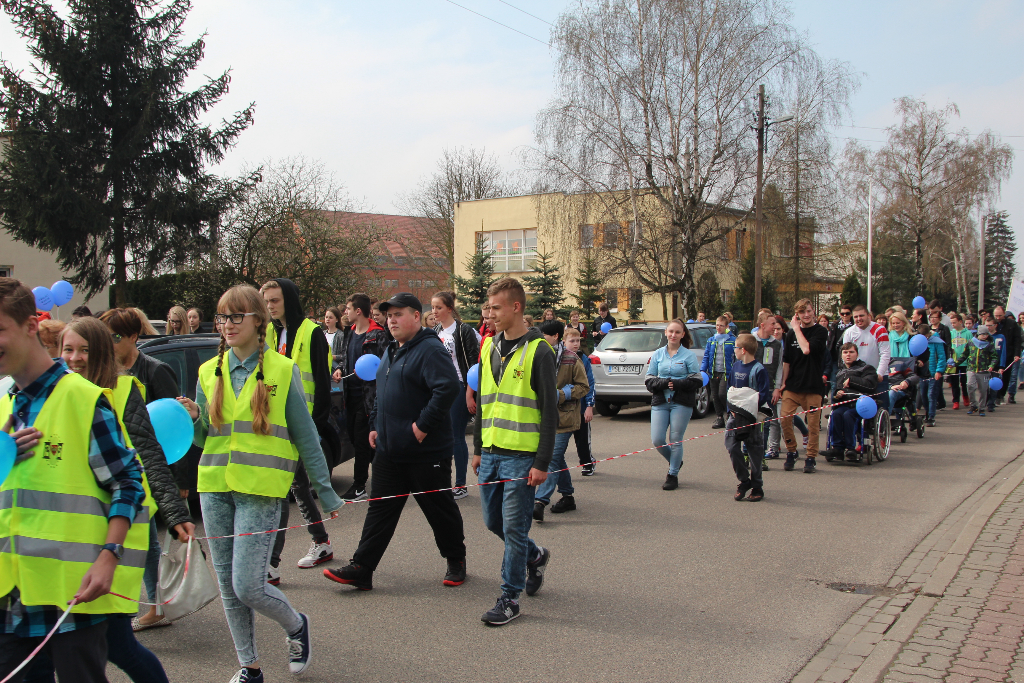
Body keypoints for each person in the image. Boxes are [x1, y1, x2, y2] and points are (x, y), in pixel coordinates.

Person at [177, 284, 343, 682]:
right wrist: (196, 415)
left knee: (248, 586)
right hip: (214, 488)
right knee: (230, 589)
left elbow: (306, 436)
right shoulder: (207, 371)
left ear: (258, 321)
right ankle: (249, 668)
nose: (227, 325)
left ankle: (295, 624)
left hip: (262, 491)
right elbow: (204, 438)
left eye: (237, 316)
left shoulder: (282, 371)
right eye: (222, 317)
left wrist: (325, 489)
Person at [0, 278, 148, 683]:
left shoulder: (83, 399)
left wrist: (108, 556)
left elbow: (129, 482)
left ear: (31, 325)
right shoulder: (5, 406)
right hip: (13, 595)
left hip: (72, 597)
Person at [57, 317, 194, 681]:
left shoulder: (122, 390)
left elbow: (148, 452)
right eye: (68, 349)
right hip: (71, 535)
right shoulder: (55, 393)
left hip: (116, 532)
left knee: (113, 644)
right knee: (96, 644)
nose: (75, 358)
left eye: (84, 350)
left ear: (101, 352)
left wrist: (174, 508)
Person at [323, 292, 466, 592]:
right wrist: (375, 425)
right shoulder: (391, 349)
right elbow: (382, 391)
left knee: (439, 509)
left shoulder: (430, 349)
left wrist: (421, 427)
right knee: (380, 510)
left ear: (416, 316)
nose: (391, 320)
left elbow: (448, 388)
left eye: (398, 314)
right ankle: (362, 568)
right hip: (389, 450)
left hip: (425, 452)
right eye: (388, 315)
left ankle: (456, 559)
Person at [472, 277, 557, 626]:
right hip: (491, 452)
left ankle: (509, 597)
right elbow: (483, 403)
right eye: (487, 308)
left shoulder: (539, 351)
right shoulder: (488, 346)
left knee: (514, 528)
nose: (489, 314)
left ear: (516, 307)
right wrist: (478, 448)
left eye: (495, 308)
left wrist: (542, 462)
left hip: (522, 457)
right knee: (495, 522)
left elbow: (550, 412)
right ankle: (534, 556)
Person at [100, 307, 189, 631]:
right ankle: (152, 603)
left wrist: (178, 481)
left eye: (116, 337)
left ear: (134, 336)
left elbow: (173, 427)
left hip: (149, 470)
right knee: (144, 541)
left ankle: (154, 605)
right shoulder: (104, 375)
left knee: (148, 542)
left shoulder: (155, 370)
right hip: (123, 470)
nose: (110, 343)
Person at [260, 279, 338, 579]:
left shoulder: (312, 332)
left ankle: (270, 563)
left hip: (302, 424)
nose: (270, 307)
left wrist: (313, 428)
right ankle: (320, 541)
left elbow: (321, 382)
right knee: (297, 487)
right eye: (267, 302)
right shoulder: (268, 331)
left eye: (275, 301)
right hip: (275, 424)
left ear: (289, 300)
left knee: (285, 489)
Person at [333, 293, 388, 503]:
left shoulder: (378, 334)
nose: (344, 313)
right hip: (351, 395)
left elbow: (384, 365)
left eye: (347, 309)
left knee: (364, 441)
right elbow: (348, 360)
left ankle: (359, 486)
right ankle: (381, 478)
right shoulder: (350, 332)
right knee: (358, 440)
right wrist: (339, 369)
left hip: (369, 397)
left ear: (358, 311)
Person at [533, 321, 589, 519]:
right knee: (558, 459)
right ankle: (568, 496)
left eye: (545, 335)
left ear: (555, 336)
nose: (541, 338)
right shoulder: (538, 356)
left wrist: (562, 394)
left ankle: (540, 501)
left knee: (552, 457)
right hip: (541, 417)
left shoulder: (572, 359)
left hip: (564, 418)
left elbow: (584, 387)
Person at [431, 291, 480, 500]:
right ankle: (443, 481)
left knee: (456, 435)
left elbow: (473, 365)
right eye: (432, 308)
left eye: (438, 308)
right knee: (441, 436)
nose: (434, 312)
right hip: (439, 389)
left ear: (449, 309)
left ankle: (461, 484)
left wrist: (470, 394)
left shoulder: (463, 331)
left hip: (459, 387)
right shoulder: (433, 332)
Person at [645, 319, 702, 490]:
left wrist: (678, 384)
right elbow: (649, 380)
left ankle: (672, 474)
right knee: (657, 440)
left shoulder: (688, 355)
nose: (673, 335)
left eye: (677, 332)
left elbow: (697, 380)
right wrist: (664, 383)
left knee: (675, 439)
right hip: (661, 402)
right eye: (671, 331)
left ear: (683, 334)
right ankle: (675, 461)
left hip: (681, 403)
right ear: (666, 333)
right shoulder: (658, 354)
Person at [780, 299, 828, 473]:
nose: (806, 315)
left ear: (813, 311)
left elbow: (807, 349)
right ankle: (792, 451)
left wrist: (797, 328)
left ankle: (811, 457)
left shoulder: (820, 332)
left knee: (813, 425)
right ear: (797, 314)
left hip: (813, 386)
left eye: (808, 311)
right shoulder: (791, 334)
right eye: (802, 313)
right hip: (793, 386)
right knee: (784, 419)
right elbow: (787, 360)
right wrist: (783, 383)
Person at [726, 334, 772, 502]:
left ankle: (757, 485)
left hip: (752, 417)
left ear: (743, 350)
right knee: (731, 445)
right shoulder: (736, 366)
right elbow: (731, 389)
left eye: (736, 348)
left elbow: (763, 394)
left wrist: (751, 411)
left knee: (754, 450)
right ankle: (744, 481)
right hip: (734, 415)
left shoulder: (758, 369)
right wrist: (729, 409)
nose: (734, 351)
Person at [821, 343, 878, 463]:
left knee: (848, 415)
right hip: (845, 404)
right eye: (845, 352)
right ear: (841, 355)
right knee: (836, 414)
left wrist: (852, 381)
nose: (848, 355)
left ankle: (851, 448)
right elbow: (836, 392)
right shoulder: (840, 372)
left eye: (851, 352)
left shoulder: (867, 368)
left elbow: (870, 385)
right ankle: (837, 448)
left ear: (857, 354)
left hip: (862, 405)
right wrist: (837, 393)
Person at [842, 304, 890, 411]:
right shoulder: (849, 332)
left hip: (878, 376)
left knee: (881, 408)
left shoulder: (879, 329)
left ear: (868, 316)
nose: (859, 319)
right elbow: (845, 356)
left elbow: (885, 353)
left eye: (861, 316)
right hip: (858, 377)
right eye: (855, 317)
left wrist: (880, 373)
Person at [565, 327, 596, 475]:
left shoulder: (584, 360)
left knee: (582, 439)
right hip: (564, 407)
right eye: (572, 341)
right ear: (564, 342)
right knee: (560, 442)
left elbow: (590, 383)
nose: (576, 344)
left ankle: (587, 462)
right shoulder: (559, 358)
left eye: (578, 340)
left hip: (581, 407)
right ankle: (557, 466)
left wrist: (589, 406)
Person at [754, 312, 784, 464]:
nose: (775, 327)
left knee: (766, 423)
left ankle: (761, 456)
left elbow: (779, 367)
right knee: (751, 423)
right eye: (772, 324)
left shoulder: (777, 344)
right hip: (752, 389)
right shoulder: (752, 341)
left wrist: (777, 388)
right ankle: (748, 453)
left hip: (770, 389)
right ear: (763, 325)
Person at [700, 316, 736, 429]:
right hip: (713, 372)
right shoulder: (711, 340)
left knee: (722, 394)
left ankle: (730, 414)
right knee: (715, 395)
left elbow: (736, 357)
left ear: (727, 327)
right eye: (717, 325)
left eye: (721, 325)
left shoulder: (732, 340)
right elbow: (706, 356)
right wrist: (703, 370)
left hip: (726, 372)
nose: (718, 328)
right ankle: (719, 417)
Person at [992, 306, 1021, 405]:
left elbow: (1017, 340)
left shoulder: (1012, 324)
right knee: (994, 375)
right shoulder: (992, 323)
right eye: (996, 316)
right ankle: (993, 395)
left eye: (1000, 315)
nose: (998, 318)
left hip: (1008, 354)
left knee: (1006, 376)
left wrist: (1017, 354)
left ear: (1004, 314)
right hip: (994, 354)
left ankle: (1001, 395)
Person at [826, 305, 855, 401]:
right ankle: (833, 410)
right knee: (835, 384)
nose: (845, 315)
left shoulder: (854, 326)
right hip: (835, 359)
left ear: (851, 314)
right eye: (842, 313)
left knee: (848, 385)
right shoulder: (835, 325)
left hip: (849, 359)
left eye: (847, 313)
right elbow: (830, 342)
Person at [966, 325, 996, 416]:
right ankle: (973, 405)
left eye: (987, 334)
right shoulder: (971, 342)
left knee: (983, 390)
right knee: (970, 386)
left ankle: (982, 407)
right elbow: (965, 354)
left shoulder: (989, 344)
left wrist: (991, 365)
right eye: (983, 334)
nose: (985, 336)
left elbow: (994, 357)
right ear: (978, 333)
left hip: (983, 371)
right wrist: (955, 364)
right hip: (971, 369)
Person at [947, 312, 973, 410]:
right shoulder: (951, 333)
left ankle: (966, 397)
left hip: (965, 362)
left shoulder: (968, 333)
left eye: (954, 322)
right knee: (954, 382)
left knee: (964, 382)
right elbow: (949, 346)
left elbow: (971, 346)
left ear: (960, 322)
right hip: (954, 362)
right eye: (951, 323)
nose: (953, 325)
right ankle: (956, 400)